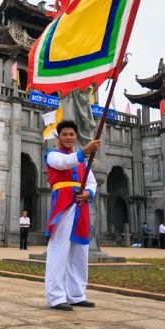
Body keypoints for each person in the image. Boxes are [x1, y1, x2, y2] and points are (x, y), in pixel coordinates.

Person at [44, 120, 99, 311]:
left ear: (75, 137)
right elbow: (63, 164)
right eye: (65, 134)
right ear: (58, 137)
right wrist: (84, 152)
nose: (68, 137)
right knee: (59, 250)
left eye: (71, 134)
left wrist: (88, 193)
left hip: (80, 205)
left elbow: (92, 182)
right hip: (63, 204)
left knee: (80, 251)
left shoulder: (83, 162)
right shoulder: (52, 155)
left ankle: (76, 294)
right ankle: (56, 296)